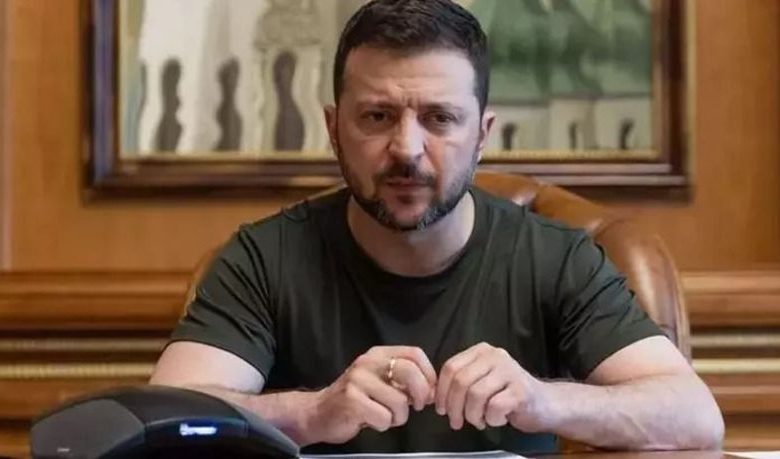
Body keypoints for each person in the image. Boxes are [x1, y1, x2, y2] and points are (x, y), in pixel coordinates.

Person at [150, 0, 724, 454]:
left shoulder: (557, 259)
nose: (406, 148)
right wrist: (313, 412)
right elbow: (165, 417)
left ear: (482, 135)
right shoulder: (263, 257)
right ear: (333, 127)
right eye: (378, 116)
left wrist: (542, 401)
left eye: (439, 118)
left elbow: (695, 415)